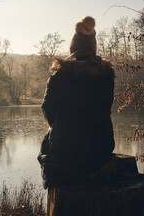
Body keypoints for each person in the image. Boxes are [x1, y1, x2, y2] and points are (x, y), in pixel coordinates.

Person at [37, 16, 115, 189]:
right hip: (102, 147)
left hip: (66, 151)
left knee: (47, 142)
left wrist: (60, 126)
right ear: (93, 47)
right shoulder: (107, 76)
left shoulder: (60, 75)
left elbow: (47, 109)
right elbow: (104, 109)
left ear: (73, 47)